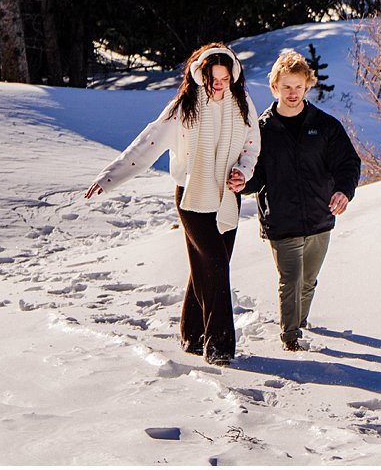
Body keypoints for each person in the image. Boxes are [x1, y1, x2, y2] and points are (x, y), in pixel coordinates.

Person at [87, 42, 260, 366]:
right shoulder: (186, 107)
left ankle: (191, 335)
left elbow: (252, 146)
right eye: (213, 79)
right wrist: (110, 177)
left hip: (227, 195)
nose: (219, 85)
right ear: (201, 76)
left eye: (224, 78)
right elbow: (148, 144)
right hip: (192, 197)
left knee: (206, 268)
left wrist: (243, 172)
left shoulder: (242, 104)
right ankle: (219, 347)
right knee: (216, 265)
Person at [242, 48, 360, 351]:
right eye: (286, 87)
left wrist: (343, 192)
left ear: (307, 85)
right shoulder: (262, 130)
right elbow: (254, 176)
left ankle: (301, 320)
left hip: (321, 217)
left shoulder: (325, 125)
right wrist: (239, 182)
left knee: (308, 281)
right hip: (281, 219)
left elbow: (348, 163)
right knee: (290, 281)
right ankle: (290, 337)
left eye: (298, 86)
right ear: (274, 87)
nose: (292, 93)